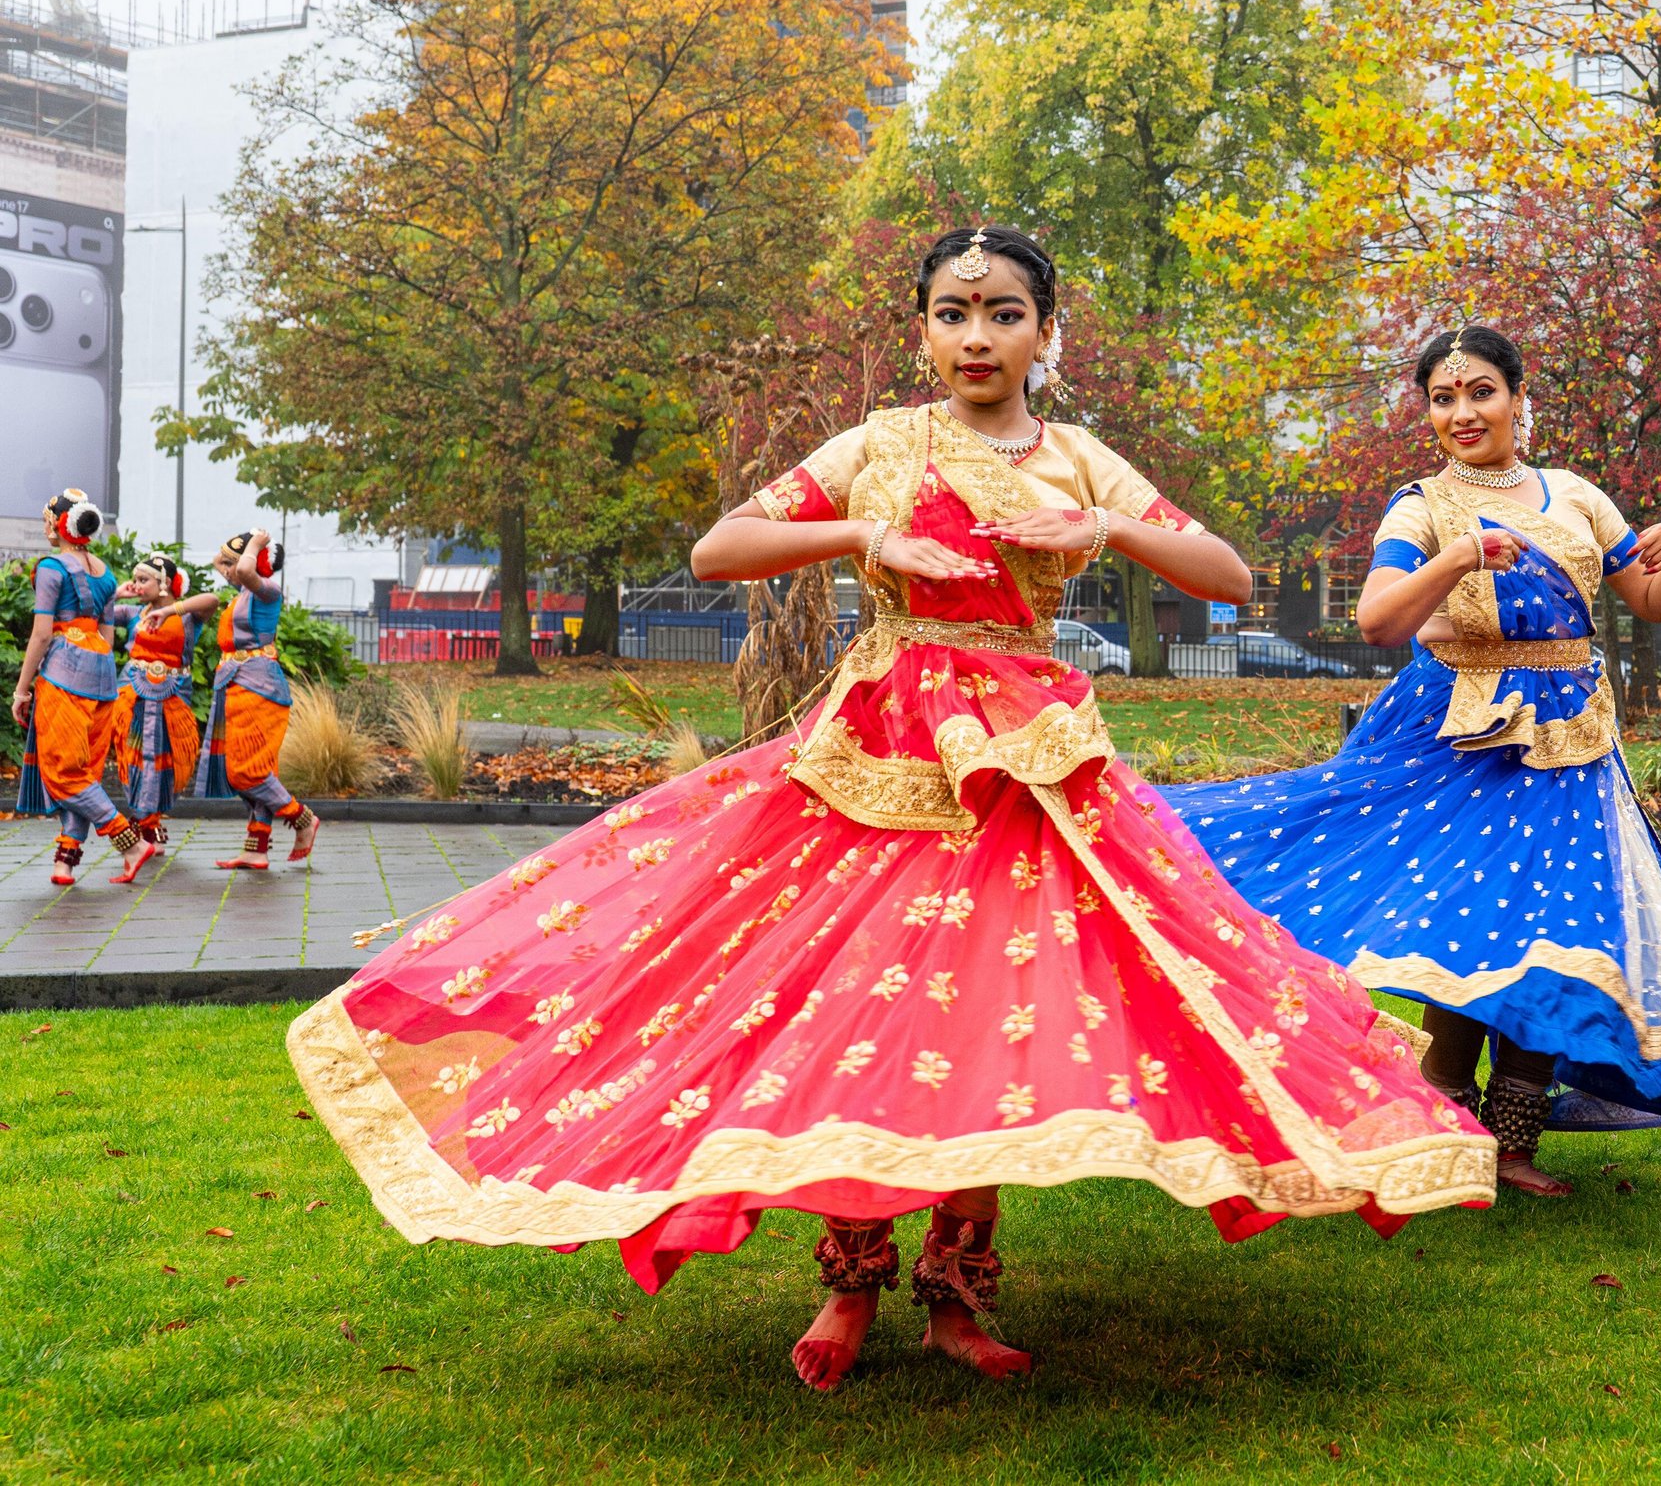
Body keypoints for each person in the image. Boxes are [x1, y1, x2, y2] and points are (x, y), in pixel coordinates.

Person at [282, 225, 1492, 1395]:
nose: (977, 337)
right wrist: (868, 532)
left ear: (1046, 333)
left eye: (1004, 314)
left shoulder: (1078, 457)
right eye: (952, 314)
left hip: (1024, 766)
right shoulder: (883, 441)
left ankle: (958, 1293)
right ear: (921, 332)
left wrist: (1105, 525)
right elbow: (718, 548)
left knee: (990, 1014)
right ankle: (850, 1278)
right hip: (879, 752)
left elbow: (1227, 574)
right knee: (857, 1001)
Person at [1162, 325, 1661, 1200]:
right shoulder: (1420, 507)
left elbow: (1648, 598)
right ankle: (1441, 1128)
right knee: (1470, 927)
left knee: (1557, 935)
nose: (1462, 412)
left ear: (1519, 398)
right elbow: (1379, 621)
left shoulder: (1576, 496)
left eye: (1481, 391)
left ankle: (1511, 1144)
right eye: (1443, 399)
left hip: (1572, 742)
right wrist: (1457, 555)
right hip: (1462, 735)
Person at [9, 490, 155, 885]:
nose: (46, 527)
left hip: (64, 675)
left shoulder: (51, 568)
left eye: (47, 520)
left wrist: (22, 690)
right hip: (100, 675)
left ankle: (131, 843)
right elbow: (106, 636)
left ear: (60, 525)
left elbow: (41, 634)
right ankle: (65, 861)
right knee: (83, 771)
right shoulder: (105, 573)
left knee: (63, 771)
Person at [180, 531, 321, 869]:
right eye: (228, 563)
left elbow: (244, 570)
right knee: (256, 769)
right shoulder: (243, 593)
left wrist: (256, 542)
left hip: (258, 687)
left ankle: (302, 818)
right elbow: (222, 562)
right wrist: (238, 548)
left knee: (246, 771)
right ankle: (256, 849)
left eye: (233, 562)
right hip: (236, 684)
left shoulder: (267, 590)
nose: (227, 569)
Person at [110, 553, 205, 854]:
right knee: (135, 755)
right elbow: (97, 613)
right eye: (135, 580)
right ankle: (147, 826)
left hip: (172, 696)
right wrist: (116, 594)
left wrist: (169, 610)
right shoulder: (134, 613)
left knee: (165, 758)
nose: (137, 585)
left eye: (143, 580)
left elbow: (212, 600)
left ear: (164, 582)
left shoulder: (187, 616)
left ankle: (149, 823)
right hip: (134, 695)